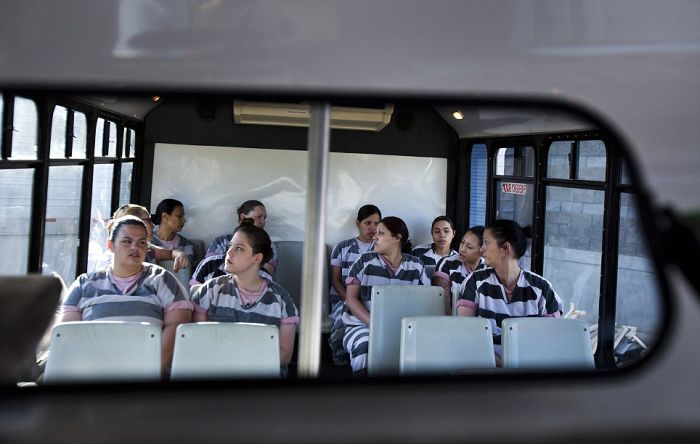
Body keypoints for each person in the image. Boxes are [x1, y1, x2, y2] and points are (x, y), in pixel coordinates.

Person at [61, 216, 193, 373]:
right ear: (111, 245)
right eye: (126, 241)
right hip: (92, 369)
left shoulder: (161, 279)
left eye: (142, 243)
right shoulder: (84, 283)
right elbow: (67, 332)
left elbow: (177, 326)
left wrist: (151, 370)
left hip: (146, 369)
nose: (134, 248)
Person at [191, 219, 298, 373]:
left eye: (239, 249)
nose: (229, 253)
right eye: (230, 247)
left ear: (257, 258)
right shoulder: (211, 290)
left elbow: (285, 354)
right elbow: (196, 341)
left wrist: (240, 364)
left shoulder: (281, 299)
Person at [457, 219, 563, 361]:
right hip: (484, 361)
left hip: (528, 364)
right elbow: (464, 331)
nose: (481, 248)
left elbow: (551, 338)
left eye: (486, 243)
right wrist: (494, 360)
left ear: (505, 248)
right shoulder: (475, 281)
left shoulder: (541, 288)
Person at [342, 216, 430, 374]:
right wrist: (374, 323)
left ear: (397, 238)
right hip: (363, 325)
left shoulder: (416, 266)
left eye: (380, 233)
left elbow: (428, 301)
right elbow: (351, 299)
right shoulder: (364, 262)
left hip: (404, 327)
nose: (374, 237)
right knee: (365, 346)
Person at [327, 204, 382, 365]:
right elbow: (335, 279)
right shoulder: (342, 247)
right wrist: (348, 300)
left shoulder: (381, 248)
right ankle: (341, 357)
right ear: (358, 223)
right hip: (343, 299)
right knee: (340, 320)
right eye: (367, 223)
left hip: (371, 301)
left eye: (376, 223)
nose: (372, 227)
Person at [92, 204, 190, 272]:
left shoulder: (148, 249)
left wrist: (180, 254)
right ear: (134, 222)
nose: (152, 225)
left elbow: (169, 253)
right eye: (148, 220)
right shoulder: (108, 262)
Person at [206, 200, 278, 276]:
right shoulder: (220, 243)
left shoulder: (268, 245)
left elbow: (265, 274)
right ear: (243, 217)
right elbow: (208, 270)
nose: (263, 222)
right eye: (259, 217)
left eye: (264, 218)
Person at [432, 225, 487, 315]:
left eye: (469, 247)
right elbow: (443, 305)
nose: (462, 249)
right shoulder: (447, 264)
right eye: (462, 242)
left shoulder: (487, 268)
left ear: (482, 250)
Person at [151, 199, 195, 264]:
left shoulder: (186, 245)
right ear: (165, 217)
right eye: (179, 216)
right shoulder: (147, 242)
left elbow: (186, 271)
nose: (184, 220)